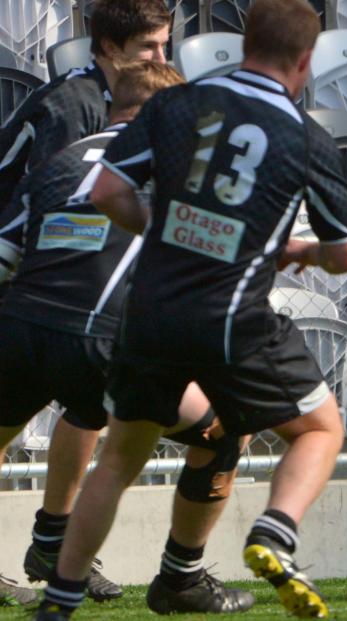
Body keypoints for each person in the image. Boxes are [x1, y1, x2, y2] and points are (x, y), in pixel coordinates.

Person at [34, 1, 347, 619]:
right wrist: (306, 251)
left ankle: (60, 598)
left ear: (244, 47)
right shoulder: (304, 134)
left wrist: (162, 228)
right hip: (234, 316)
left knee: (118, 461)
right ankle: (275, 532)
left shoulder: (175, 104)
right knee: (320, 429)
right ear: (304, 61)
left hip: (150, 316)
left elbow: (107, 191)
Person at [0, 60, 255, 614]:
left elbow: (5, 253)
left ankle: (50, 540)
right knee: (225, 433)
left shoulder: (60, 160)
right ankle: (180, 581)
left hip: (19, 332)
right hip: (100, 344)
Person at [0, 0, 172, 601]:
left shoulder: (113, 102)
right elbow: (50, 204)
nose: (161, 58)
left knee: (86, 405)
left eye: (163, 45)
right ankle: (54, 543)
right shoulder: (75, 105)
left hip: (44, 279)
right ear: (107, 48)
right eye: (148, 47)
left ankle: (53, 540)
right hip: (21, 272)